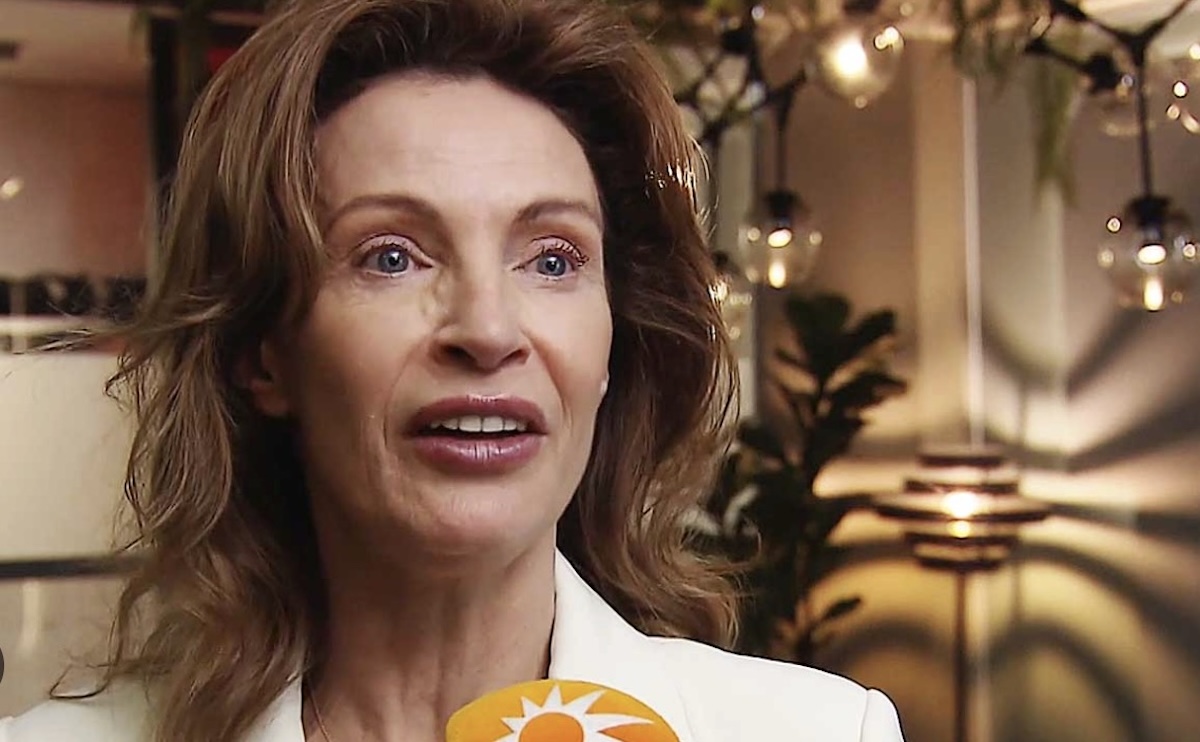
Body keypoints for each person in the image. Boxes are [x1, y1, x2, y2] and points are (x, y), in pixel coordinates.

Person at [1, 0, 905, 740]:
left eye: (552, 260)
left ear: (610, 346)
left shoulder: (821, 730)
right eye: (391, 256)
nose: (486, 329)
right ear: (260, 351)